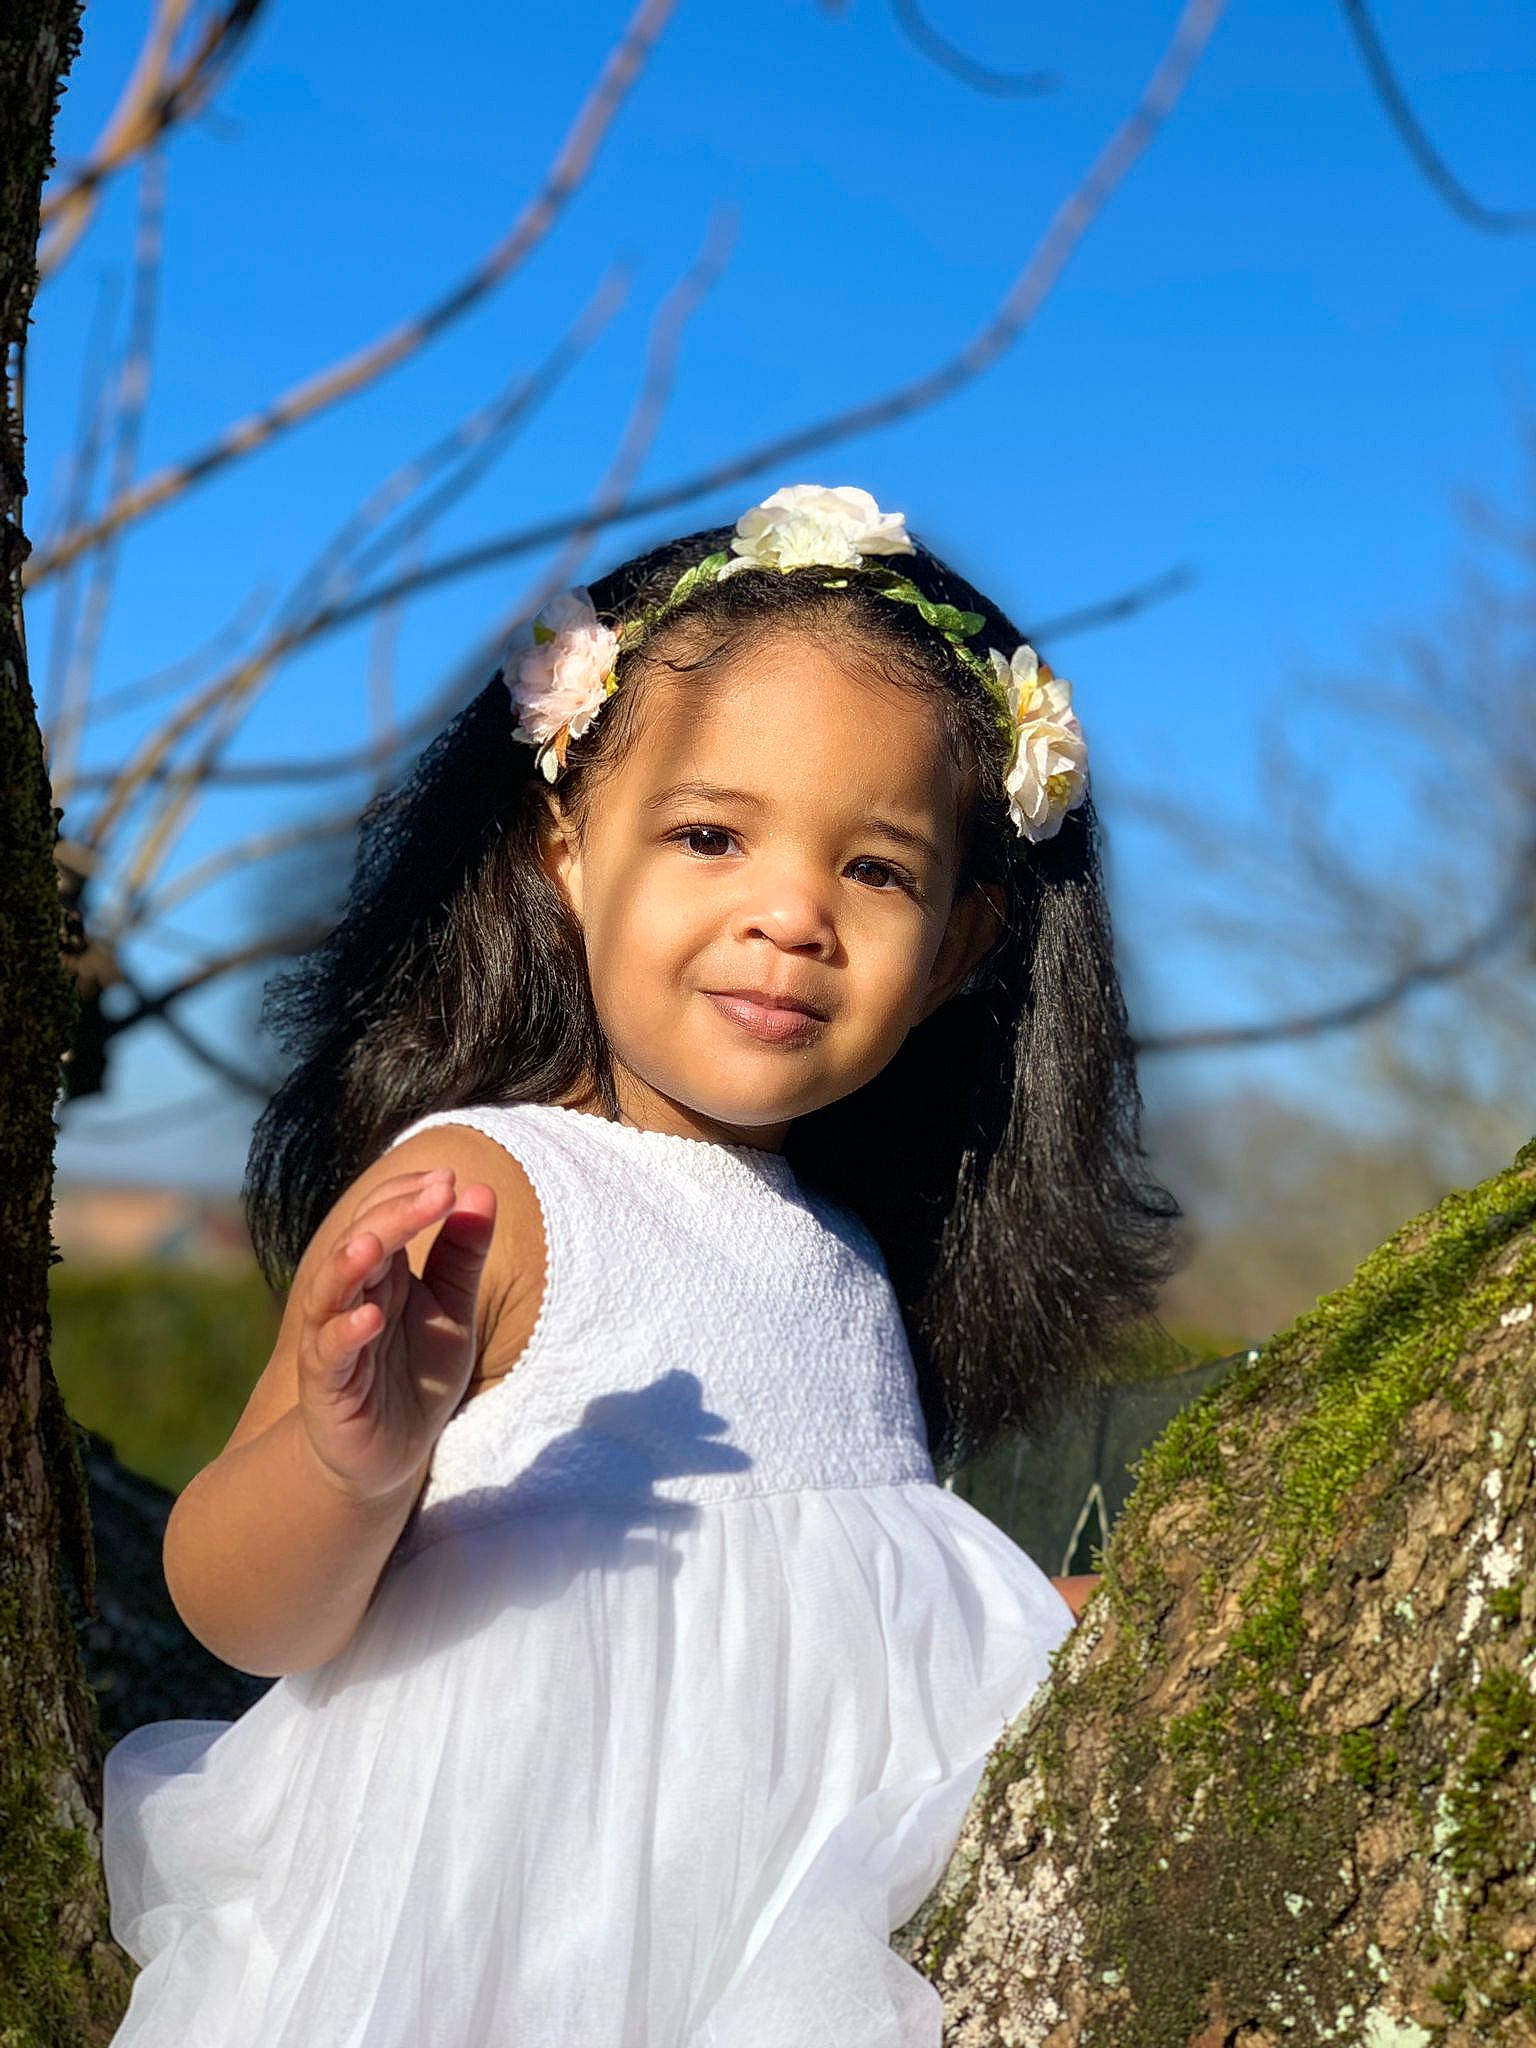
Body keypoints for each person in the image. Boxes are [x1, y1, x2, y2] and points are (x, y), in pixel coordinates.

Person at [101, 483, 1179, 2045]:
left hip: (771, 1949)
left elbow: (859, 1602)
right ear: (568, 853)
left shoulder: (856, 1254)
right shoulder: (488, 1192)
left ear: (956, 948)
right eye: (709, 834)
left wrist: (1049, 1626)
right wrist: (353, 1463)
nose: (790, 914)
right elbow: (238, 1610)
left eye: (875, 870)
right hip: (503, 1941)